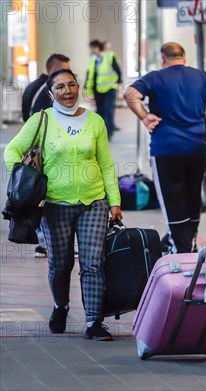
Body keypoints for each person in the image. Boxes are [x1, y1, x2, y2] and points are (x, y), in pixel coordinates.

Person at [5, 68, 122, 341]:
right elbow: (12, 150)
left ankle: (94, 321)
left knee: (93, 262)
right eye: (60, 87)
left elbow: (105, 163)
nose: (67, 91)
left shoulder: (95, 121)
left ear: (78, 87)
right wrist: (26, 178)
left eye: (71, 85)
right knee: (60, 263)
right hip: (54, 203)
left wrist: (114, 200)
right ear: (50, 93)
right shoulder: (40, 120)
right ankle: (61, 306)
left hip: (94, 200)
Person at [124, 42, 206, 254]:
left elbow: (130, 95)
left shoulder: (155, 77)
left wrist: (145, 116)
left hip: (165, 150)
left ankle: (181, 249)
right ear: (184, 57)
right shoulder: (200, 76)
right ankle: (187, 243)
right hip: (195, 148)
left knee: (172, 200)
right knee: (192, 197)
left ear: (163, 59)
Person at [20, 53, 70, 258]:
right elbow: (37, 119)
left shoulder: (35, 86)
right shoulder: (46, 90)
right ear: (53, 70)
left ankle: (44, 240)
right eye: (64, 70)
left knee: (39, 194)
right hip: (42, 152)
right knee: (44, 196)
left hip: (35, 150)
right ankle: (46, 241)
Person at [86, 39, 122, 140]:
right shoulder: (93, 59)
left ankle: (108, 133)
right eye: (91, 48)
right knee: (99, 111)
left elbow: (117, 69)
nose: (92, 50)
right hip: (98, 89)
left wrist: (119, 83)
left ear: (98, 47)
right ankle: (101, 133)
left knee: (108, 111)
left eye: (94, 48)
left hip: (110, 88)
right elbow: (90, 74)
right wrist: (88, 88)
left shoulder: (109, 56)